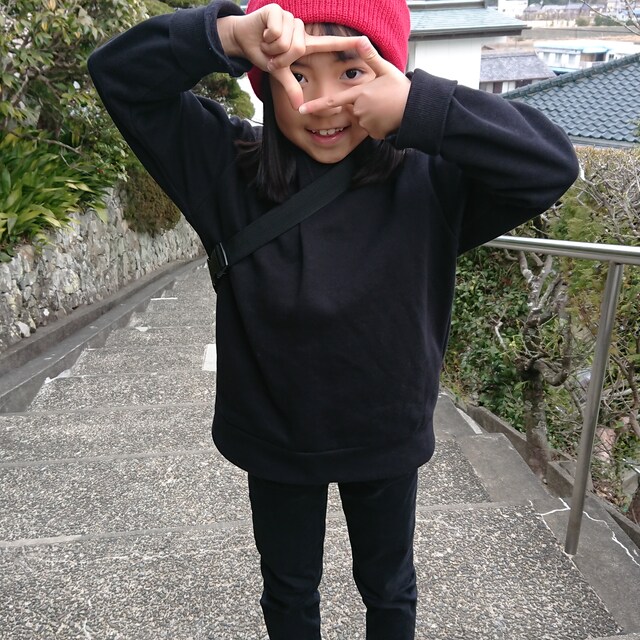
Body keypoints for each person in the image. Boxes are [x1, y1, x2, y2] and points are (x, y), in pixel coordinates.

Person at [88, 0, 579, 637]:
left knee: (389, 587)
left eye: (351, 73)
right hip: (275, 436)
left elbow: (550, 165)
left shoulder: (429, 180)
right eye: (296, 75)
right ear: (263, 82)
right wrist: (230, 33)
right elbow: (118, 75)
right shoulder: (226, 167)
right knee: (289, 590)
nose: (322, 104)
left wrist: (419, 108)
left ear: (388, 76)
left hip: (386, 433)